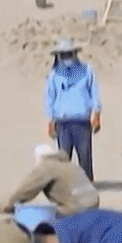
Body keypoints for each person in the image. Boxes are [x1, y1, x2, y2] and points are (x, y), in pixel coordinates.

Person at [44, 38, 102, 181]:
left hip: (82, 121)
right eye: (63, 54)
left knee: (85, 157)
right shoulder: (54, 74)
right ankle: (65, 187)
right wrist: (50, 121)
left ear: (75, 53)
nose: (67, 57)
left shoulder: (86, 70)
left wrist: (97, 114)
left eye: (69, 53)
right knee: (63, 159)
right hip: (62, 122)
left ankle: (87, 185)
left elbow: (94, 93)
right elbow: (50, 98)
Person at [0, 143, 101, 217]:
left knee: (44, 217)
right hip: (94, 204)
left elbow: (26, 189)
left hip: (76, 208)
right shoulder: (69, 165)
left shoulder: (46, 166)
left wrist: (8, 206)